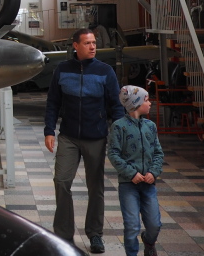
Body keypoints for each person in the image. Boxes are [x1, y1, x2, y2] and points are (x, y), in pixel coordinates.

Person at [44, 28, 124, 253]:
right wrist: (49, 130)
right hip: (68, 137)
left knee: (95, 187)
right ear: (75, 45)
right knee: (61, 181)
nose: (93, 47)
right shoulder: (62, 70)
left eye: (94, 43)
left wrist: (119, 132)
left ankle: (95, 234)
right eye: (87, 43)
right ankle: (63, 235)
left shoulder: (105, 71)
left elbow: (116, 105)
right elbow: (52, 102)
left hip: (96, 137)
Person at [108, 86, 163, 256]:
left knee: (154, 224)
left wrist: (153, 172)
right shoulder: (119, 127)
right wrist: (131, 173)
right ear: (136, 103)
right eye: (146, 100)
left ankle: (149, 241)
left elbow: (158, 153)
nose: (150, 103)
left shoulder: (150, 126)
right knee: (132, 225)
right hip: (128, 185)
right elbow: (113, 154)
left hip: (148, 184)